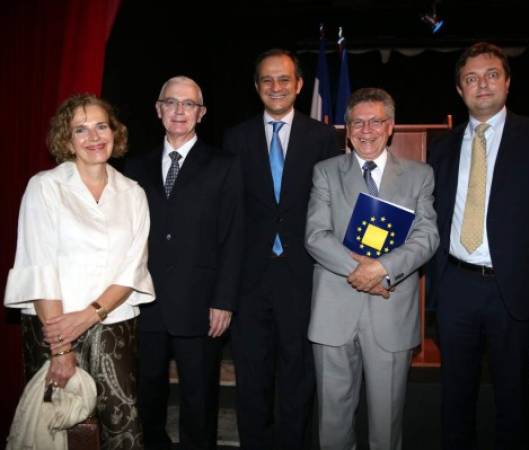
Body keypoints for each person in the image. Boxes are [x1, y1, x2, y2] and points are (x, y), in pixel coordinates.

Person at [428, 42, 529, 449]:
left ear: (508, 83)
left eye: (491, 75)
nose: (482, 84)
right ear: (460, 89)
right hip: (455, 289)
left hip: (514, 291)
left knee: (513, 405)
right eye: (471, 78)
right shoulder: (441, 147)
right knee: (454, 403)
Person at [4, 93, 155, 450]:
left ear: (114, 132)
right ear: (66, 140)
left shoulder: (133, 193)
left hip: (114, 323)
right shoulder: (45, 187)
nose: (94, 137)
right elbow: (39, 267)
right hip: (54, 325)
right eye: (81, 130)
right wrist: (60, 348)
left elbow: (133, 269)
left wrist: (91, 314)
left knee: (123, 422)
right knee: (57, 428)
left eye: (102, 126)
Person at [305, 87, 439, 449]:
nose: (366, 130)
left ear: (390, 126)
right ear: (347, 130)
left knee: (386, 423)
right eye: (357, 122)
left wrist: (382, 269)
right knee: (332, 422)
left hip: (390, 309)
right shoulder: (326, 172)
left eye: (375, 121)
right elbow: (316, 236)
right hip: (334, 311)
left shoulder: (419, 174)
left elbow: (427, 237)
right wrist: (364, 274)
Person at [223, 49, 338, 450]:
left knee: (297, 373)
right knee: (251, 375)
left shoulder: (323, 138)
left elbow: (332, 208)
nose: (276, 87)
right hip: (249, 280)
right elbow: (230, 213)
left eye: (284, 80)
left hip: (303, 276)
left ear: (299, 85)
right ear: (257, 87)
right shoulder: (234, 139)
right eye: (267, 80)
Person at [124, 76, 243, 450]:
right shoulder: (133, 167)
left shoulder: (225, 165)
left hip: (201, 303)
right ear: (158, 110)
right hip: (146, 302)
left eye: (189, 104)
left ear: (201, 113)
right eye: (171, 103)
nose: (179, 111)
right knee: (147, 398)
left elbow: (234, 236)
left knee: (199, 400)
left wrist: (223, 300)